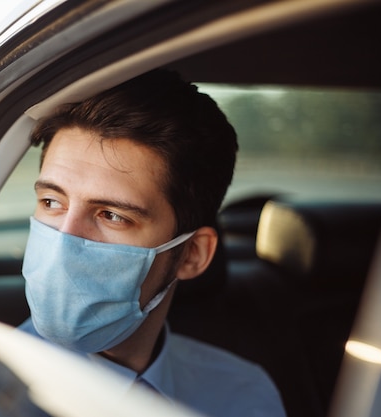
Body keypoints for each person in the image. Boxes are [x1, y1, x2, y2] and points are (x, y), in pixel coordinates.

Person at [19, 69, 286, 417]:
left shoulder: (242, 396)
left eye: (112, 215)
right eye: (52, 202)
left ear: (192, 254)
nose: (63, 241)